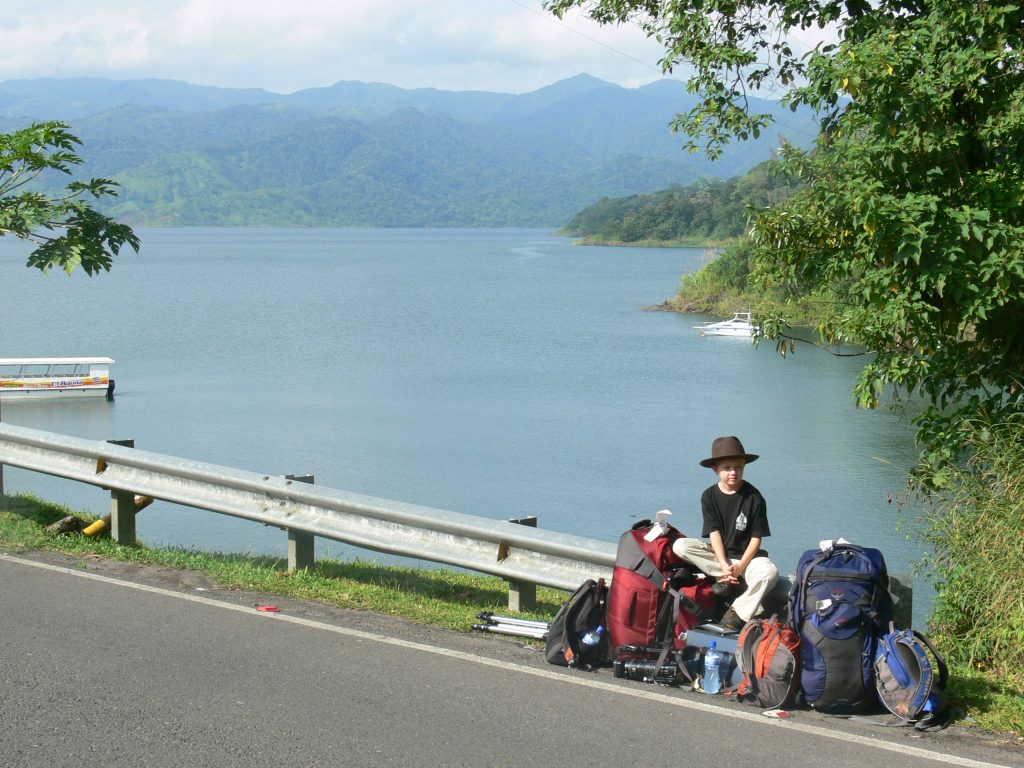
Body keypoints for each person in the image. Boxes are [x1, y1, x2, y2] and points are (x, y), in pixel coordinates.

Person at [673, 435, 779, 631]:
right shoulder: (709, 496)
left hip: (748, 560)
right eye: (727, 467)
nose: (733, 472)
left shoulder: (754, 497)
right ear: (716, 469)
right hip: (719, 558)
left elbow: (757, 538)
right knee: (680, 546)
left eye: (738, 466)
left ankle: (737, 612)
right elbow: (714, 533)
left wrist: (740, 568)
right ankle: (726, 577)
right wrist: (724, 564)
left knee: (769, 573)